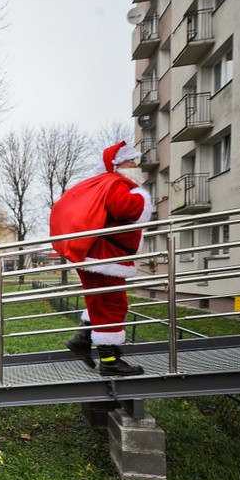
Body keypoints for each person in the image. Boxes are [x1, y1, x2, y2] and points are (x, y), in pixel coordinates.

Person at [49, 141, 153, 376]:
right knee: (112, 304)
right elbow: (127, 209)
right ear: (118, 165)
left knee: (100, 302)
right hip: (105, 258)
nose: (136, 165)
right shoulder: (116, 183)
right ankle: (109, 361)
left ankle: (82, 340)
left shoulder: (103, 183)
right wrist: (142, 197)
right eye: (131, 161)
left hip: (97, 255)